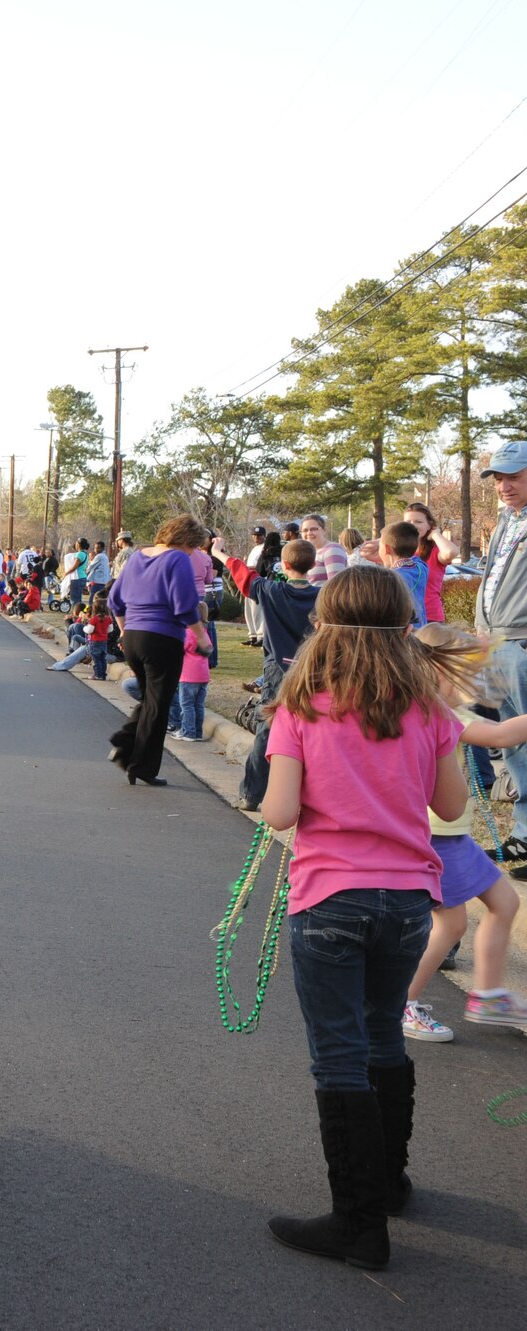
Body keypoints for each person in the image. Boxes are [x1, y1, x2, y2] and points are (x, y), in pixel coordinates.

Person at [258, 565, 483, 1269]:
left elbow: (280, 813)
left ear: (325, 621)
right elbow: (449, 807)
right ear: (403, 623)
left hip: (330, 896)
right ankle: (387, 1183)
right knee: (384, 1030)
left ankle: (357, 1223)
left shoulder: (301, 702)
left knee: (339, 1054)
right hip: (409, 899)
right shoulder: (428, 707)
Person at [399, 625, 527, 1044]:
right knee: (452, 926)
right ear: (439, 673)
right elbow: (502, 734)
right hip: (439, 838)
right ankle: (402, 1002)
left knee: (502, 902)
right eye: (466, 675)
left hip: (451, 837)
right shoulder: (439, 711)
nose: (473, 686)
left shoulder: (435, 707)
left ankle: (488, 994)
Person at [222, 537, 320, 810]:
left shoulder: (270, 590)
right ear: (312, 565)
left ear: (284, 565)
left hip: (278, 668)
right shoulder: (323, 596)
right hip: (312, 669)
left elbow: (243, 574)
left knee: (267, 730)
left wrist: (220, 554)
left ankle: (252, 794)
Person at [106, 515, 205, 785]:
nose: (192, 552)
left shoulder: (137, 557)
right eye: (193, 546)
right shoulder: (177, 558)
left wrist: (125, 630)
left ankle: (126, 746)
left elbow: (115, 601)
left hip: (134, 639)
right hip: (162, 638)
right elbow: (185, 605)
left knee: (151, 700)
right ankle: (141, 766)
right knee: (158, 707)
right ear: (185, 540)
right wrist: (202, 638)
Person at [476, 439, 527, 800]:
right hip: (497, 642)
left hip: (521, 644)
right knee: (512, 743)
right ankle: (524, 831)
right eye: (498, 478)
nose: (504, 486)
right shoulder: (506, 519)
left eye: (514, 477)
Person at [402, 502, 453, 625]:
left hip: (431, 619)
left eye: (418, 522)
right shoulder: (398, 551)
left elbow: (450, 552)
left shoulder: (435, 551)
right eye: (408, 522)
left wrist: (436, 534)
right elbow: (369, 553)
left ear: (429, 525)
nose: (413, 526)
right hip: (403, 618)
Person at [168, 605, 213, 741]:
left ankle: (188, 731)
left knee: (186, 705)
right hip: (203, 675)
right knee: (198, 705)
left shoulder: (187, 633)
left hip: (188, 674)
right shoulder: (204, 633)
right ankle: (197, 732)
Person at [378, 522, 428, 629]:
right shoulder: (421, 568)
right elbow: (411, 557)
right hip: (422, 632)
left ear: (387, 549)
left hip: (404, 634)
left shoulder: (389, 579)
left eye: (379, 547)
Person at [299, 513, 347, 586]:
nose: (309, 533)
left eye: (313, 529)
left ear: (324, 530)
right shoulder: (310, 552)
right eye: (305, 530)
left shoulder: (332, 550)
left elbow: (336, 586)